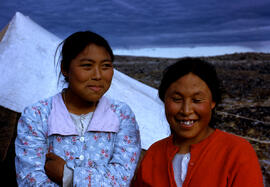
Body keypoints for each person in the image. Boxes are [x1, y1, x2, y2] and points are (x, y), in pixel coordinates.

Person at [15, 31, 141, 186]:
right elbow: (30, 180)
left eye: (106, 66)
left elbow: (122, 178)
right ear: (65, 69)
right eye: (87, 66)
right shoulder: (37, 115)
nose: (98, 75)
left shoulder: (121, 114)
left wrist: (68, 175)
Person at [132, 58, 263, 187]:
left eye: (197, 100)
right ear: (164, 101)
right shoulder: (154, 154)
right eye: (177, 99)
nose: (186, 110)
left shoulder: (237, 152)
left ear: (213, 102)